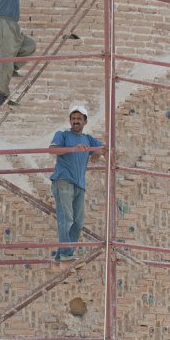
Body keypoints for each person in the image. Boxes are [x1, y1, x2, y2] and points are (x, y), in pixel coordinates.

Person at [49, 102, 105, 262]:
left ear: (85, 121)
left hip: (80, 184)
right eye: (73, 118)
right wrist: (73, 148)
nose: (75, 121)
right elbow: (52, 149)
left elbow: (102, 150)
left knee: (78, 222)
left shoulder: (88, 139)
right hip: (64, 180)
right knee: (66, 218)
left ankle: (64, 254)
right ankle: (66, 254)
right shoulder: (63, 135)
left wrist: (96, 153)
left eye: (79, 118)